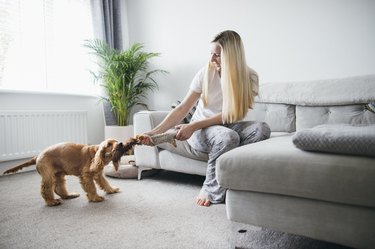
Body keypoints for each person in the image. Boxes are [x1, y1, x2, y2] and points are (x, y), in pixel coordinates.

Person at [141, 30, 271, 206]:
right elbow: (182, 108)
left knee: (261, 129)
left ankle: (232, 172)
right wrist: (154, 132)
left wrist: (192, 126)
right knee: (227, 137)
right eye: (211, 54)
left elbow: (233, 114)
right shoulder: (205, 73)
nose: (212, 59)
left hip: (222, 126)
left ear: (232, 57)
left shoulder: (250, 77)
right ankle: (209, 188)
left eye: (217, 55)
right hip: (202, 131)